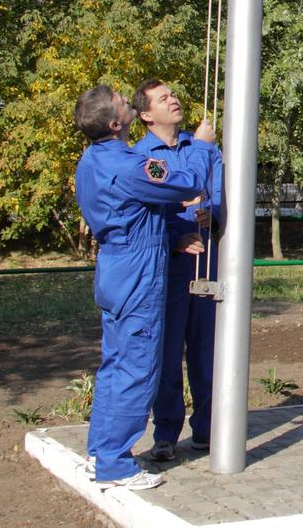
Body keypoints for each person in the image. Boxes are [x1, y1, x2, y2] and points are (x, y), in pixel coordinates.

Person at [73, 84, 216, 489]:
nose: (128, 101)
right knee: (137, 368)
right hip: (138, 271)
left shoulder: (94, 159)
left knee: (115, 365)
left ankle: (101, 452)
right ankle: (116, 465)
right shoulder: (127, 164)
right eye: (122, 102)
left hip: (116, 269)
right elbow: (186, 183)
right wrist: (202, 146)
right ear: (117, 122)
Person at [131, 79, 223, 460]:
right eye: (163, 98)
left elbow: (218, 192)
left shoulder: (204, 147)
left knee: (207, 351)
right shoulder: (140, 156)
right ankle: (166, 434)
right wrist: (175, 238)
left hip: (207, 263)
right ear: (147, 115)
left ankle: (208, 430)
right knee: (167, 355)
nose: (175, 100)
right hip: (168, 270)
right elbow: (144, 209)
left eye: (174, 94)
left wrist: (212, 212)